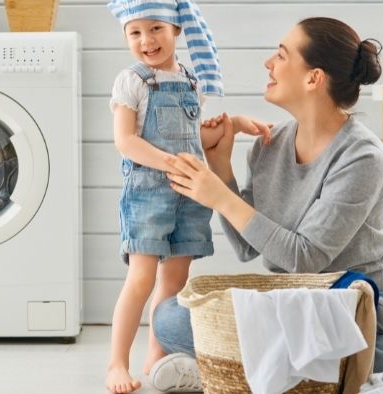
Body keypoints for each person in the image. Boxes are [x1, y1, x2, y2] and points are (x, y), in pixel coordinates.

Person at [149, 16, 383, 392]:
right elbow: (248, 247)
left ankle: (227, 366)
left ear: (314, 78)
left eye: (281, 56)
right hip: (291, 299)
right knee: (168, 317)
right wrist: (222, 167)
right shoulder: (271, 144)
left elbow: (305, 257)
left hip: (353, 306)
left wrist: (217, 193)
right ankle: (284, 370)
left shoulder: (362, 157)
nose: (268, 64)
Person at [104, 1, 271, 393]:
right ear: (126, 37)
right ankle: (116, 363)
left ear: (177, 30)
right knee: (141, 278)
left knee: (175, 282)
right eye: (135, 32)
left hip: (191, 195)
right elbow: (125, 141)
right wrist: (168, 161)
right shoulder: (131, 81)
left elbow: (197, 141)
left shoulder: (192, 81)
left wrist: (237, 124)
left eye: (156, 28)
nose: (147, 40)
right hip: (148, 196)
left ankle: (157, 355)